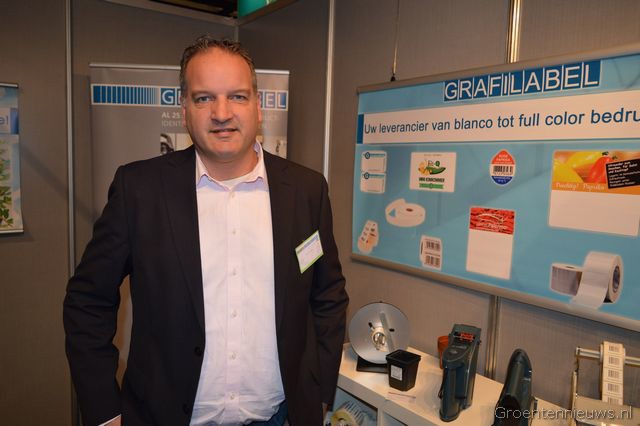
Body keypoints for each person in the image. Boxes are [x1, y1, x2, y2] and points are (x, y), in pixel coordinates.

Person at [63, 36, 348, 426]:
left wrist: (319, 393)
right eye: (204, 98)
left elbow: (328, 294)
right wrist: (105, 412)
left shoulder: (306, 190)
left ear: (258, 107)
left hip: (279, 417)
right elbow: (87, 301)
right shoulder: (139, 190)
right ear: (184, 110)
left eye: (237, 96)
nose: (221, 113)